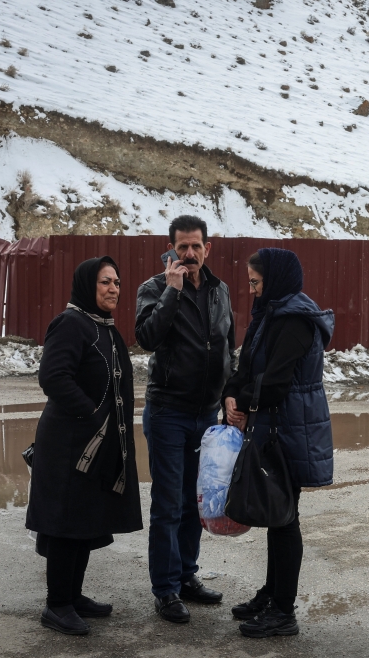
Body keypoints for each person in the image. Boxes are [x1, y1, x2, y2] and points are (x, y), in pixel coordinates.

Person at [26, 256, 142, 636]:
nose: (114, 289)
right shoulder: (71, 324)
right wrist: (92, 414)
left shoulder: (103, 328)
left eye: (117, 282)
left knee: (84, 520)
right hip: (68, 444)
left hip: (94, 444)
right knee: (65, 522)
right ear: (86, 285)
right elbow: (53, 377)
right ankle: (57, 605)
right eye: (105, 282)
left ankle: (72, 597)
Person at [221, 248, 334, 638]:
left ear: (275, 280)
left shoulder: (295, 321)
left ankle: (283, 611)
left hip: (290, 428)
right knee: (277, 513)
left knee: (284, 518)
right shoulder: (269, 314)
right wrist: (230, 396)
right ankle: (272, 594)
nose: (252, 290)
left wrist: (245, 402)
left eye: (256, 282)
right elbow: (247, 368)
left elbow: (276, 382)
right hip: (273, 425)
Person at [135, 215, 236, 623]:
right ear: (171, 249)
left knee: (196, 502)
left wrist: (230, 396)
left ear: (207, 248)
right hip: (168, 413)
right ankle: (165, 590)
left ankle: (186, 575)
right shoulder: (153, 288)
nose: (190, 253)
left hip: (206, 416)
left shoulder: (220, 290)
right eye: (183, 247)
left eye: (196, 246)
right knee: (168, 505)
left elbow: (228, 347)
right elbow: (147, 338)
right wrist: (171, 292)